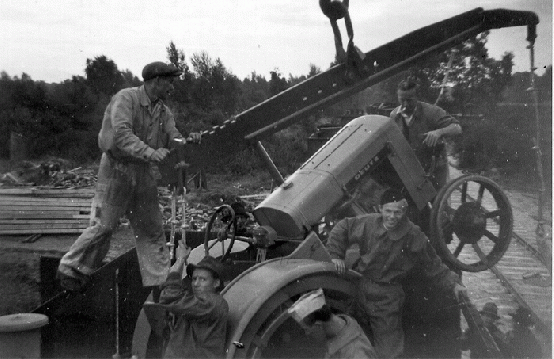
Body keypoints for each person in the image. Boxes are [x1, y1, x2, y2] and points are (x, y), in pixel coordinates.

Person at [57, 61, 201, 291]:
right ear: (156, 81)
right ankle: (72, 268)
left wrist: (188, 141)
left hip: (143, 170)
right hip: (117, 167)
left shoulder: (163, 111)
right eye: (170, 82)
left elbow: (173, 137)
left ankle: (159, 282)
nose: (172, 87)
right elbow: (122, 136)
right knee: (105, 225)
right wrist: (152, 153)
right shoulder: (125, 99)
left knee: (151, 228)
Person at [326, 188, 467, 358]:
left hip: (387, 298)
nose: (392, 217)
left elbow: (433, 264)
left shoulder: (412, 234)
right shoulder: (368, 223)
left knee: (389, 351)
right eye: (388, 211)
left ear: (404, 211)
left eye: (397, 212)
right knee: (351, 338)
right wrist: (335, 255)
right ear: (380, 209)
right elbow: (343, 227)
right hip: (361, 290)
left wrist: (454, 284)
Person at [144, 242, 229, 359]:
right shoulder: (196, 302)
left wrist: (180, 260)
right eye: (194, 279)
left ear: (216, 283)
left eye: (203, 280)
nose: (196, 284)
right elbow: (172, 296)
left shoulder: (213, 303)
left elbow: (169, 298)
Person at [390, 78, 462, 190]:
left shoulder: (432, 112)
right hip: (412, 170)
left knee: (438, 202)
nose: (405, 105)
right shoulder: (394, 115)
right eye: (402, 100)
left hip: (435, 170)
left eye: (409, 100)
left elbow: (457, 128)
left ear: (417, 97)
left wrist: (438, 132)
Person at [288, 288, 376, 359]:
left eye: (306, 330)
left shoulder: (356, 353)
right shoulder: (338, 329)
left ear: (318, 325)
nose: (307, 334)